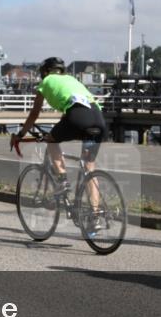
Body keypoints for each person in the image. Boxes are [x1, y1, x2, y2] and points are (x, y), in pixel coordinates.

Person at [11, 57, 107, 229]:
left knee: (51, 140)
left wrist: (20, 135)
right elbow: (70, 111)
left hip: (78, 117)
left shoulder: (46, 81)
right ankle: (95, 216)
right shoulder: (71, 80)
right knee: (89, 167)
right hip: (98, 119)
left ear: (45, 72)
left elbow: (34, 114)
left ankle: (62, 180)